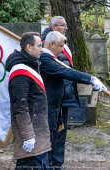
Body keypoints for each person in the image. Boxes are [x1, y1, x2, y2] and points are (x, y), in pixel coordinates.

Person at [40, 31, 106, 169]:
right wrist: (90, 79)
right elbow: (66, 72)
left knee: (53, 138)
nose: (63, 49)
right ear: (51, 44)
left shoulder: (50, 57)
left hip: (55, 106)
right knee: (47, 141)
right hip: (48, 107)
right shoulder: (45, 59)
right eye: (60, 46)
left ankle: (51, 165)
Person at [6, 32, 51, 170]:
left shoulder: (31, 65)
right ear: (28, 47)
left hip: (39, 135)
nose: (41, 49)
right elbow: (20, 107)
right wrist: (28, 136)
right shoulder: (20, 72)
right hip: (32, 136)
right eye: (39, 46)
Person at [41, 16, 80, 168]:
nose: (66, 27)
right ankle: (49, 162)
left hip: (65, 94)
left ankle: (57, 163)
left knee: (61, 131)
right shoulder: (47, 44)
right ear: (53, 27)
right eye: (63, 25)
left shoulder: (63, 42)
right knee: (52, 131)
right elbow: (63, 71)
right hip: (54, 96)